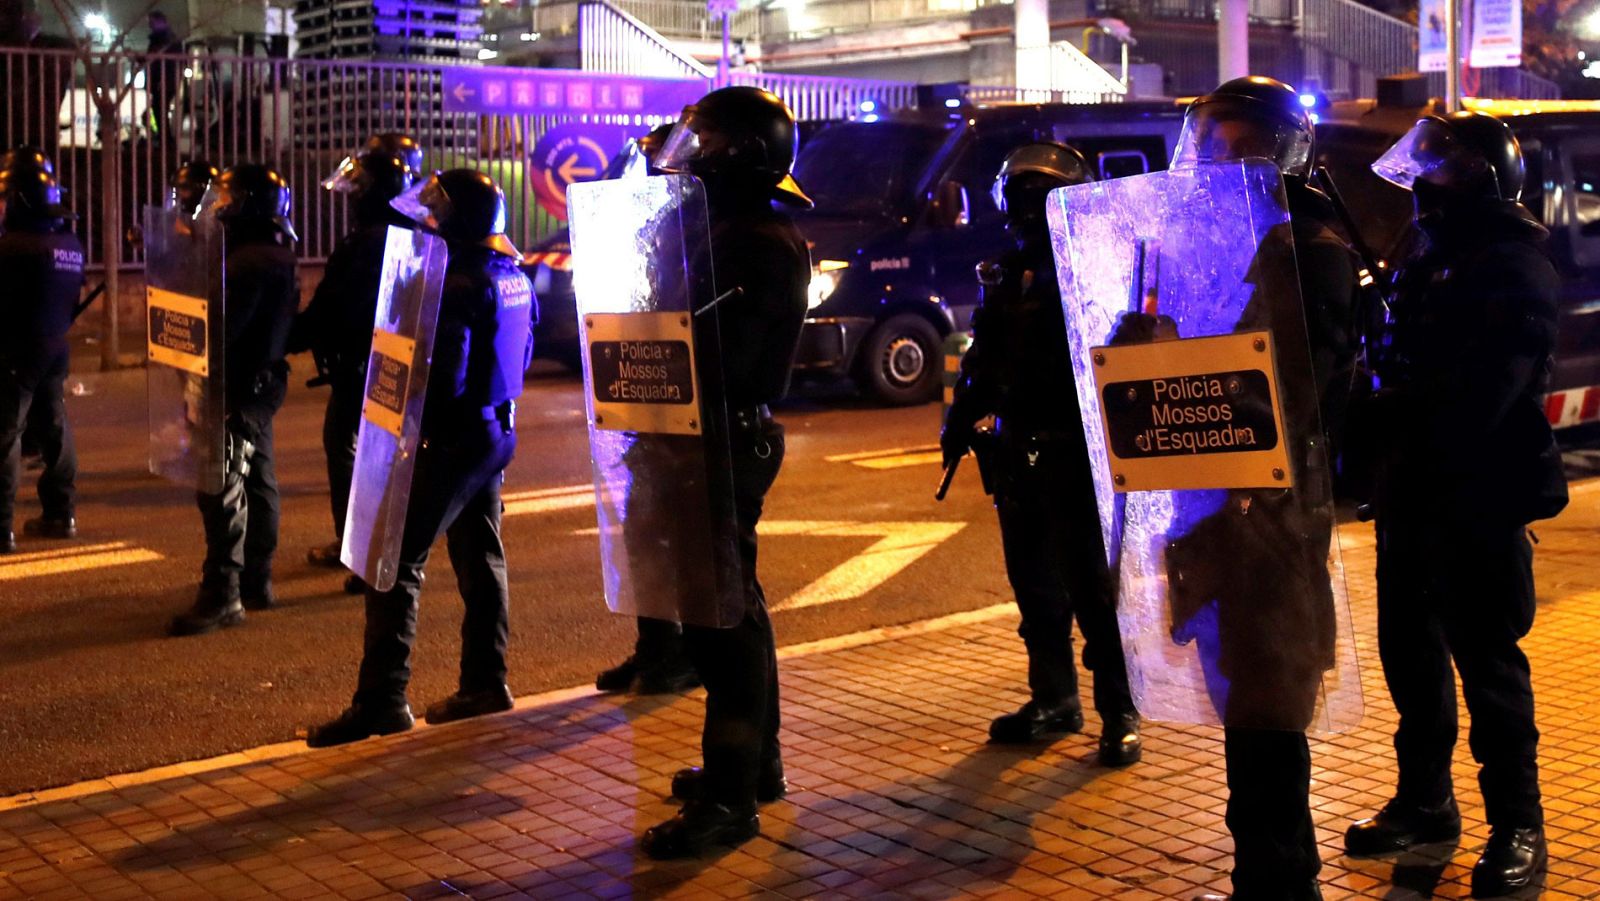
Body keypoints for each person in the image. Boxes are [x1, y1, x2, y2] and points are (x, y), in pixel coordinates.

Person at [1344, 110, 1563, 898]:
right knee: (1412, 661)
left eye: (1446, 169)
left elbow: (1482, 396)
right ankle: (1426, 801)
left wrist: (1390, 410)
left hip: (1478, 501)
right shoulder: (1427, 259)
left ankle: (1520, 825)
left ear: (1482, 179)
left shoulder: (1512, 266)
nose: (1428, 186)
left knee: (1491, 673)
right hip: (1413, 497)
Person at [1163, 77, 1358, 901]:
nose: (1213, 161)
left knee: (1272, 691)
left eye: (1234, 145)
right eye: (1210, 144)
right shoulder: (1214, 240)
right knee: (1239, 689)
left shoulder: (1309, 248)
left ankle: (1285, 874)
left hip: (1275, 511)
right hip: (1215, 503)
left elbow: (1312, 384)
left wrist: (1233, 418)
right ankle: (1261, 868)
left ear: (1277, 151)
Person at [635, 86, 811, 859]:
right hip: (703, 437)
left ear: (738, 156)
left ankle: (730, 800)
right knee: (733, 605)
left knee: (721, 622)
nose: (689, 156)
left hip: (723, 439)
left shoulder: (755, 240)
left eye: (701, 144)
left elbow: (714, 353)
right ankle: (752, 764)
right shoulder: (724, 228)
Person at [307, 168, 536, 746]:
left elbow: (445, 378)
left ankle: (382, 699)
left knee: (392, 564)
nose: (425, 221)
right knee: (480, 555)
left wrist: (403, 417)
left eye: (436, 214)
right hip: (494, 432)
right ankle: (487, 681)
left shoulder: (455, 283)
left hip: (453, 438)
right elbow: (522, 353)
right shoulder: (509, 275)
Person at [940, 141, 1142, 765]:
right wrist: (961, 413)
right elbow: (984, 353)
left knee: (1093, 593)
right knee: (1034, 590)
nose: (1028, 209)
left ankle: (1119, 712)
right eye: (1020, 196)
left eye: (1040, 196)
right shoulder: (1008, 272)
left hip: (1075, 452)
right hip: (1016, 448)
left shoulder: (1095, 268)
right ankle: (1054, 698)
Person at [592, 120, 702, 698]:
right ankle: (654, 648)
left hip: (683, 408)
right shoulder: (654, 221)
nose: (656, 166)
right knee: (642, 534)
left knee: (677, 541)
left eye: (664, 157)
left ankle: (682, 655)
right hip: (648, 400)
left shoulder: (698, 224)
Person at [168, 165, 300, 636]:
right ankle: (256, 581)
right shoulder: (274, 252)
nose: (218, 205)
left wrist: (196, 378)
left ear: (248, 203)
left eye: (227, 197)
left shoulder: (246, 262)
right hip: (260, 385)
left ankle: (223, 594)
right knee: (259, 480)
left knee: (220, 488)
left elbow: (222, 332)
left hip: (234, 386)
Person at [290, 133, 422, 594]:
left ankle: (367, 550)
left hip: (363, 365)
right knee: (376, 454)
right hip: (391, 361)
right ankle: (369, 547)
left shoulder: (366, 243)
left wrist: (286, 337)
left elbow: (333, 307)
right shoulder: (410, 232)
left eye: (360, 188)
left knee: (354, 451)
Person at [0, 150, 82, 553]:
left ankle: (1, 527)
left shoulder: (13, 246)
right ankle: (61, 512)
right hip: (55, 348)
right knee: (54, 429)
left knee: (4, 435)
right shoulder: (68, 242)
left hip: (17, 352)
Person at [143, 11, 183, 136]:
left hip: (163, 81)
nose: (150, 24)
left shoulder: (165, 40)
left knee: (159, 109)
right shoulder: (164, 39)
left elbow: (158, 60)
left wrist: (163, 81)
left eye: (152, 22)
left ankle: (165, 139)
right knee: (159, 109)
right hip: (161, 81)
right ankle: (164, 138)